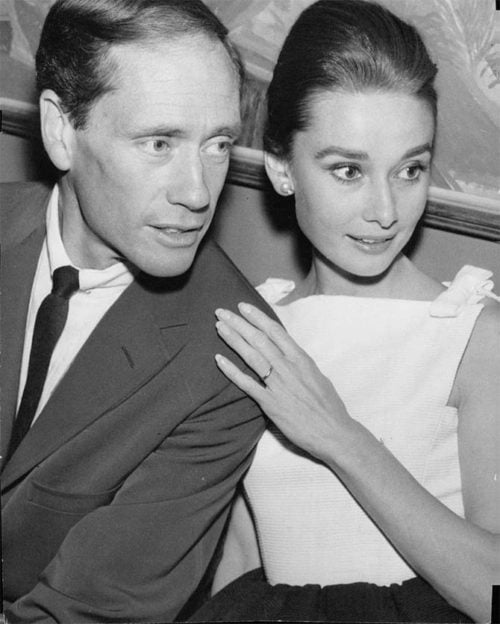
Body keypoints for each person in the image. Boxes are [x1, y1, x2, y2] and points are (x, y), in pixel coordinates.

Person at [189, 1, 500, 622]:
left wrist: (339, 436)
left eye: (409, 169)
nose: (385, 210)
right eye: (348, 171)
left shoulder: (473, 336)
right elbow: (243, 561)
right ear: (281, 167)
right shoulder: (256, 327)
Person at [0, 1, 272, 621]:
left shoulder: (229, 354)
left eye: (218, 144)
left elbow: (92, 612)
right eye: (158, 142)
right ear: (60, 130)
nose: (197, 193)